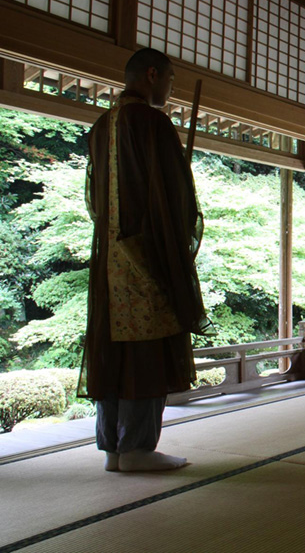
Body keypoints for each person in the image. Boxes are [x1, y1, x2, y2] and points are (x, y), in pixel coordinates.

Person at [80, 48, 211, 472]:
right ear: (151, 75)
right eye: (170, 80)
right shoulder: (152, 123)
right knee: (147, 349)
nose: (171, 89)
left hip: (109, 260)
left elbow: (95, 201)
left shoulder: (101, 127)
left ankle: (113, 450)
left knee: (114, 349)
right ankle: (137, 448)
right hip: (145, 256)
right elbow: (175, 200)